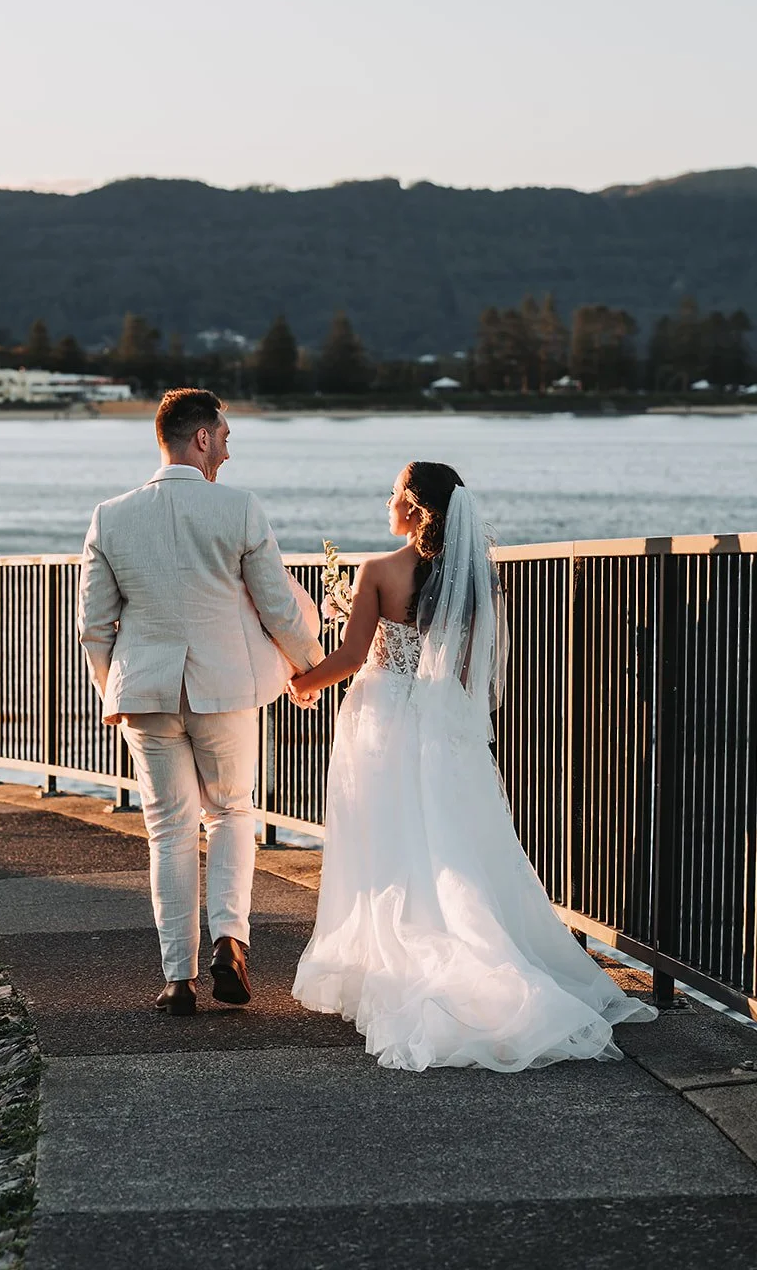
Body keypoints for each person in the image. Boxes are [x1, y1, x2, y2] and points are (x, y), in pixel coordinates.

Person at [288, 461, 655, 1072]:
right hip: (444, 718)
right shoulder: (476, 577)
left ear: (412, 506)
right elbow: (466, 669)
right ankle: (487, 947)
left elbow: (351, 656)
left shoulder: (377, 571)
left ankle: (392, 961)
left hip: (381, 716)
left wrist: (303, 682)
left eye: (392, 493)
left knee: (386, 838)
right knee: (453, 837)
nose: (386, 501)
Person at [78, 389, 324, 1015]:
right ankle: (230, 943)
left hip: (145, 694)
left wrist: (116, 691)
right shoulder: (238, 509)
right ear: (202, 437)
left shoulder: (110, 516)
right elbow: (277, 606)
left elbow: (94, 627)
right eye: (226, 437)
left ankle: (177, 979)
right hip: (225, 689)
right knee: (232, 812)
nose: (229, 451)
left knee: (168, 830)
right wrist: (310, 668)